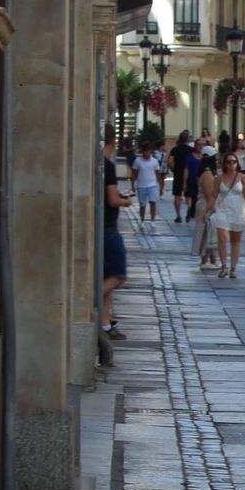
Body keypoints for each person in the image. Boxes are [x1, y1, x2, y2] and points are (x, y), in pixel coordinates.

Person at [102, 133, 133, 341]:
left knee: (107, 276)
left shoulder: (97, 164)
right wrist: (125, 202)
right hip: (108, 227)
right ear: (113, 142)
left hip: (101, 225)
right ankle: (88, 302)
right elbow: (112, 200)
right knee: (118, 275)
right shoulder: (107, 166)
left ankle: (105, 324)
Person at [211, 150, 245, 277]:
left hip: (238, 210)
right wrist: (207, 210)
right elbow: (213, 195)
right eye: (228, 162)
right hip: (222, 210)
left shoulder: (243, 178)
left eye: (233, 162)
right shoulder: (219, 178)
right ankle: (223, 266)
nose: (231, 164)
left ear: (237, 164)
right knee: (222, 238)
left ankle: (233, 268)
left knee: (236, 240)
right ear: (224, 164)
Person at [192, 149, 220, 270]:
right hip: (206, 205)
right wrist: (209, 210)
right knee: (206, 233)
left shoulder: (206, 173)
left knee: (209, 233)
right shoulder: (208, 174)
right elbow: (210, 195)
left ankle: (211, 257)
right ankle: (205, 258)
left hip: (205, 204)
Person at [132, 143, 163, 223]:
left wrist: (160, 186)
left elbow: (158, 174)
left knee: (153, 202)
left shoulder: (154, 161)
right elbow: (134, 173)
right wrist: (132, 184)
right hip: (141, 186)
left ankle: (153, 220)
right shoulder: (137, 161)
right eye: (145, 151)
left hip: (152, 185)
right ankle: (142, 220)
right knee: (142, 205)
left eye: (149, 151)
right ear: (143, 152)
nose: (147, 153)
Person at [169, 131, 194, 223]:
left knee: (177, 196)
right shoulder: (191, 150)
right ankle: (189, 210)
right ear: (187, 139)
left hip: (178, 174)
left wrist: (173, 169)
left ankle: (178, 215)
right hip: (189, 174)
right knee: (189, 196)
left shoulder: (175, 150)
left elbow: (170, 161)